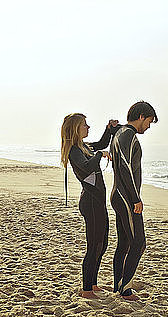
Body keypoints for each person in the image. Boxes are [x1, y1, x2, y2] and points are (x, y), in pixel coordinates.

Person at [61, 113, 119, 299]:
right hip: (91, 202)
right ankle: (86, 289)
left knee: (102, 245)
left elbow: (101, 144)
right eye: (85, 125)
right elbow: (87, 167)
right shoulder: (74, 150)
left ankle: (93, 283)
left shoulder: (84, 146)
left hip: (98, 202)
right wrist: (99, 155)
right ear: (75, 128)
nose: (88, 127)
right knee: (94, 246)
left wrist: (108, 130)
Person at [110, 101, 158, 301]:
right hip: (125, 197)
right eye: (149, 121)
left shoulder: (120, 133)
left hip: (119, 195)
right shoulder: (128, 135)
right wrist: (135, 198)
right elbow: (125, 166)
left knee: (125, 243)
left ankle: (118, 286)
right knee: (139, 243)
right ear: (141, 117)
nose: (148, 126)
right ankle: (125, 289)